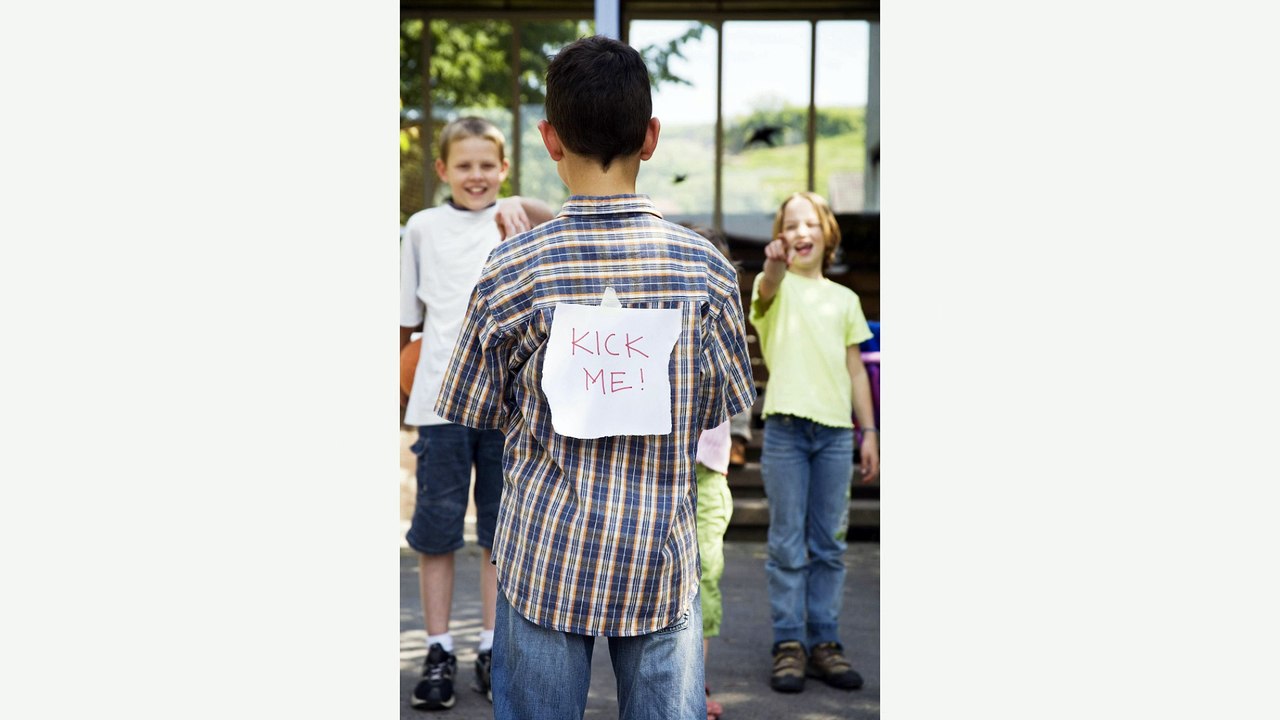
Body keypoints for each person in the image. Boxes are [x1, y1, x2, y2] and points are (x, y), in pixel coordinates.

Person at [434, 36, 756, 720]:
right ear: (652, 137)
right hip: (658, 557)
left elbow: (476, 407)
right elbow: (718, 407)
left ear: (549, 140)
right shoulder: (706, 270)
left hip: (544, 552)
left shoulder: (512, 268)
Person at [400, 115, 553, 711]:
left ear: (504, 170)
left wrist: (520, 202)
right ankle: (438, 648)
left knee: (498, 534)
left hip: (504, 406)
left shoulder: (514, 221)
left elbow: (567, 214)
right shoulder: (421, 227)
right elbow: (406, 321)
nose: (476, 175)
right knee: (437, 533)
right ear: (442, 170)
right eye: (463, 165)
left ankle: (494, 646)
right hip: (438, 402)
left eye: (488, 165)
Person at [748, 190, 880, 694]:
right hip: (785, 430)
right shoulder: (773, 287)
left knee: (829, 544)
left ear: (828, 233)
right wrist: (773, 266)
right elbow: (765, 290)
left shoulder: (846, 300)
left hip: (833, 435)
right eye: (790, 225)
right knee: (786, 544)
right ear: (780, 238)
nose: (801, 232)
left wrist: (869, 431)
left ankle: (824, 641)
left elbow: (856, 370)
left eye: (810, 224)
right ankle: (789, 644)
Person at [685, 226, 749, 720]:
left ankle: (695, 687)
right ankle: (665, 682)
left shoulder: (725, 327)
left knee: (707, 573)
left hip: (709, 475)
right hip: (666, 469)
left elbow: (740, 386)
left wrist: (740, 439)